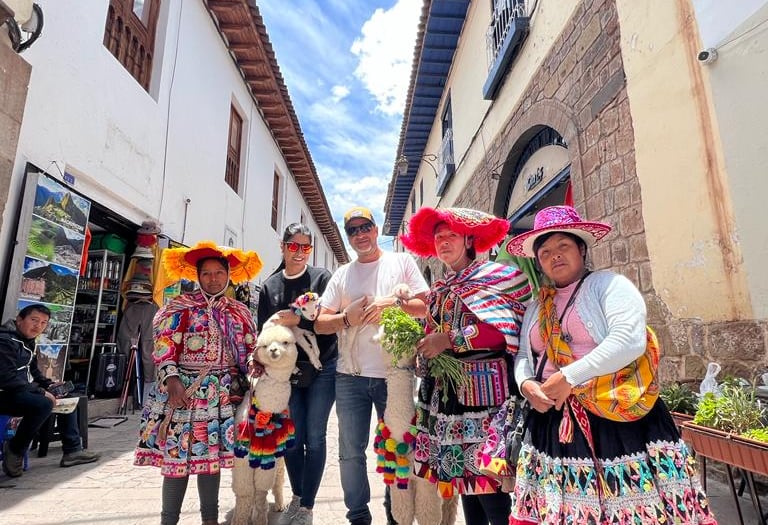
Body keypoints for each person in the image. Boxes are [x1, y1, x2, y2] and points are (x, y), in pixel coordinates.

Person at [505, 205, 717, 524]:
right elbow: (524, 354)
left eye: (563, 245)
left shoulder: (609, 286)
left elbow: (628, 340)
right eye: (545, 251)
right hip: (552, 422)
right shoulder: (538, 305)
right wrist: (527, 386)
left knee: (629, 510)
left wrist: (569, 377)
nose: (554, 255)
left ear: (581, 248)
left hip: (616, 419)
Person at [400, 207, 532, 525]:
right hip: (448, 398)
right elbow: (432, 329)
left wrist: (449, 340)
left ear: (469, 240)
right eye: (439, 237)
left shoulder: (495, 278)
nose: (444, 242)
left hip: (487, 394)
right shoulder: (440, 290)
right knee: (465, 481)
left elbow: (504, 331)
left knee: (489, 480)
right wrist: (424, 350)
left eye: (452, 236)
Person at [134, 241, 263, 525]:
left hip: (220, 395)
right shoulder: (179, 307)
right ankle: (168, 520)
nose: (213, 279)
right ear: (197, 276)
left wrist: (257, 369)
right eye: (206, 273)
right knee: (176, 459)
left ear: (228, 275)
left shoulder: (239, 312)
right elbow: (164, 344)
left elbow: (250, 348)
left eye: (219, 273)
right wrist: (172, 379)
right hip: (182, 392)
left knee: (210, 461)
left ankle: (210, 520)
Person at [316, 206, 429, 525]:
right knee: (351, 452)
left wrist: (394, 303)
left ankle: (397, 515)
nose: (360, 234)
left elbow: (425, 305)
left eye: (365, 227)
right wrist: (346, 318)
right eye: (352, 230)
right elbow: (320, 323)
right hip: (350, 377)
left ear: (376, 229)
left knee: (399, 447)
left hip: (396, 376)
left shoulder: (401, 262)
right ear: (348, 237)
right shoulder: (342, 274)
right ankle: (358, 516)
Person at [256, 223, 339, 525]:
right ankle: (297, 496)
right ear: (283, 247)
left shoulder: (322, 278)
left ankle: (306, 507)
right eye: (294, 246)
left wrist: (298, 319)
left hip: (323, 367)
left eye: (306, 247)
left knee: (315, 437)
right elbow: (263, 332)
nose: (299, 252)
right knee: (292, 438)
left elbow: (330, 321)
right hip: (286, 374)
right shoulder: (270, 286)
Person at [0, 304, 100, 477]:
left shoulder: (27, 340)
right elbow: (6, 377)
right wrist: (40, 392)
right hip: (5, 393)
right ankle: (15, 450)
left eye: (43, 323)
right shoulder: (5, 341)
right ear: (19, 320)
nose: (38, 326)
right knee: (43, 403)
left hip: (18, 391)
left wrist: (49, 385)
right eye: (34, 320)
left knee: (65, 397)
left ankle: (72, 451)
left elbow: (34, 371)